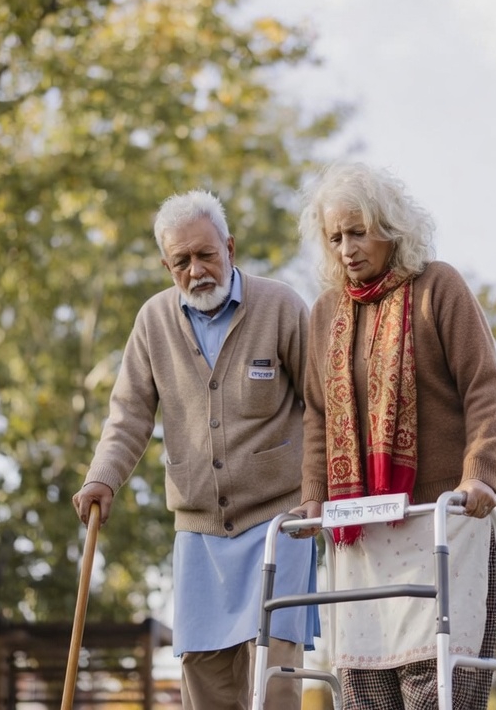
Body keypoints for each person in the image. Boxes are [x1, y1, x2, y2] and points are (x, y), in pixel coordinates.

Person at [73, 189, 318, 710]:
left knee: (272, 678)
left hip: (279, 522)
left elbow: (322, 405)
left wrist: (319, 492)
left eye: (206, 254)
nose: (197, 270)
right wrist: (103, 477)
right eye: (181, 260)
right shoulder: (152, 322)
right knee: (203, 681)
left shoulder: (281, 306)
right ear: (167, 265)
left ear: (229, 247)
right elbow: (129, 415)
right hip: (200, 530)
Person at [290, 162, 496, 710]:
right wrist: (312, 500)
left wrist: (479, 475)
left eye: (358, 231)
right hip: (361, 535)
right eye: (335, 237)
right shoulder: (326, 314)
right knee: (368, 694)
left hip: (443, 520)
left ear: (390, 228)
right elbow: (318, 419)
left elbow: (484, 388)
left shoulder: (437, 287)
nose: (347, 248)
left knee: (440, 688)